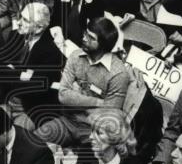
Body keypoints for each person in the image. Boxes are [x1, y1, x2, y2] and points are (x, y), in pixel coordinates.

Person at [35, 17, 130, 148]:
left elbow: (109, 114)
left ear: (104, 44)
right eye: (85, 33)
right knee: (34, 142)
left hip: (95, 131)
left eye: (91, 38)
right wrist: (98, 102)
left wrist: (76, 95)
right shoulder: (75, 56)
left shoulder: (119, 73)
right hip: (67, 122)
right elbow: (63, 95)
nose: (84, 38)